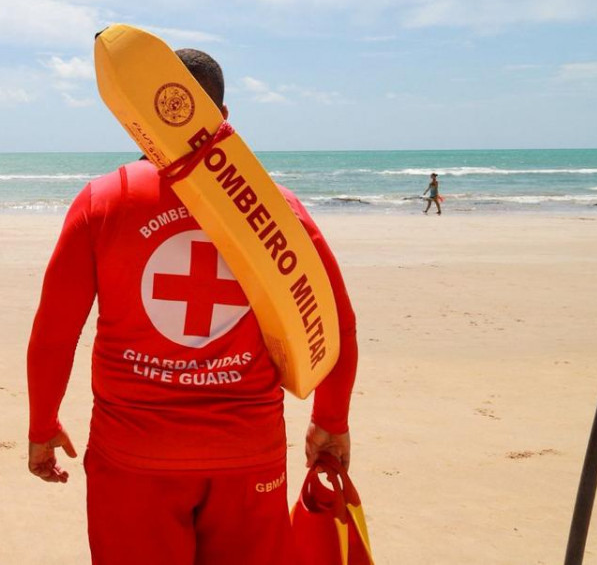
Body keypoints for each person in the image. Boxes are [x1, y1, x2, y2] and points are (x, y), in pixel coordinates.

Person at [26, 48, 358, 565]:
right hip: (248, 456)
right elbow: (334, 320)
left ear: (138, 115)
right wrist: (330, 420)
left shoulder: (104, 200)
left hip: (134, 458)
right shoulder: (274, 205)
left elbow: (54, 332)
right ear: (223, 119)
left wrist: (42, 424)